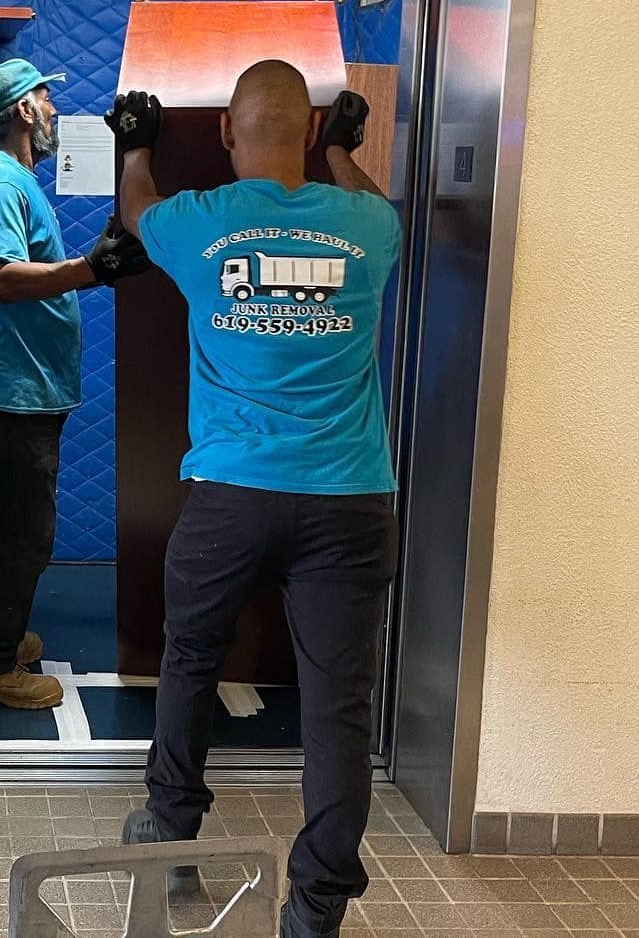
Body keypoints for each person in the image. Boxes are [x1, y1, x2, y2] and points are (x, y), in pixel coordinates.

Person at [106, 61, 401, 938]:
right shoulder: (367, 222)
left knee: (191, 659)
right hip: (350, 499)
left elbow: (135, 210)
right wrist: (346, 152)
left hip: (232, 493)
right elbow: (370, 198)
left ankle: (171, 830)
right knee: (337, 707)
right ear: (310, 131)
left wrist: (137, 145)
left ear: (230, 135)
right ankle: (313, 913)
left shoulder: (204, 223)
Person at [0, 58, 151, 710]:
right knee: (22, 536)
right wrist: (88, 269)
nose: (54, 110)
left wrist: (90, 261)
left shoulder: (14, 181)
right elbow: (5, 277)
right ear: (21, 112)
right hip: (11, 397)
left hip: (22, 393)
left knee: (13, 530)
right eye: (45, 97)